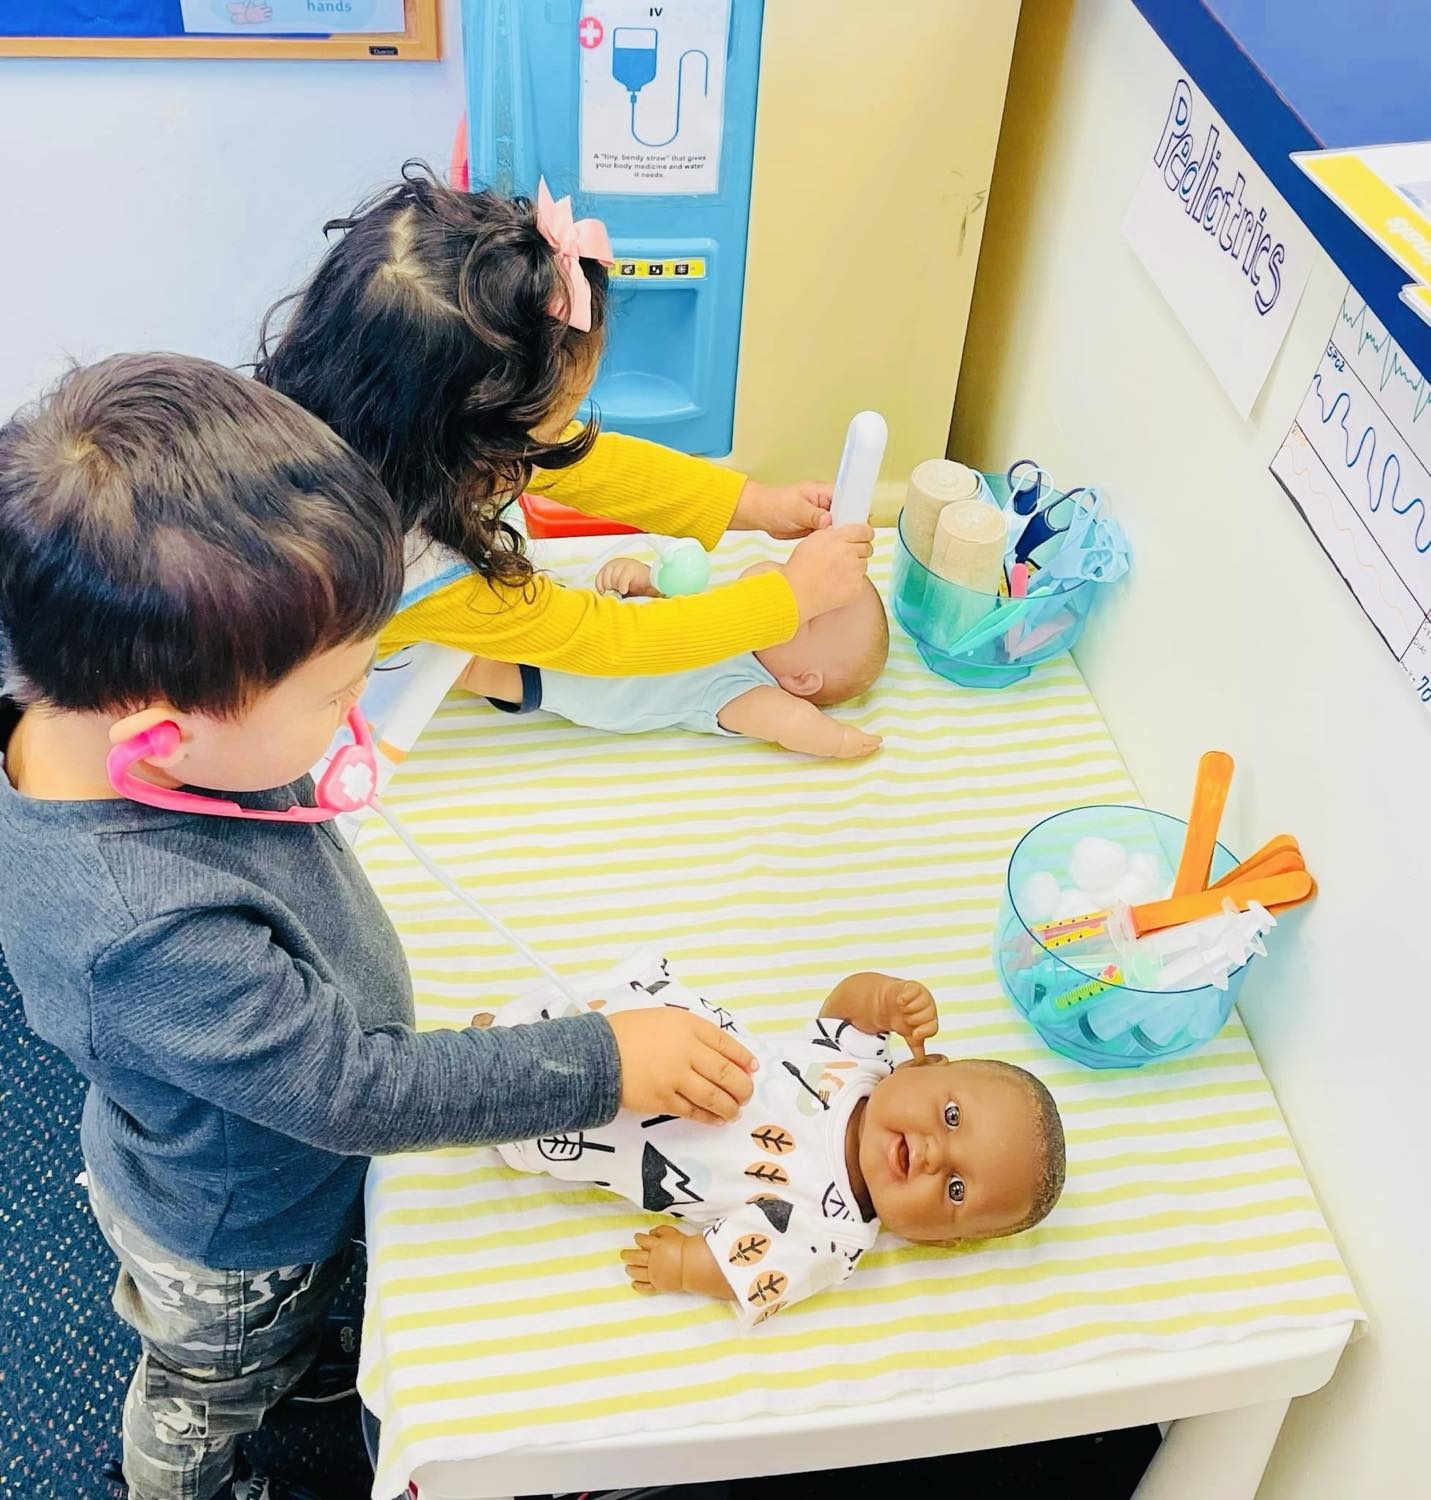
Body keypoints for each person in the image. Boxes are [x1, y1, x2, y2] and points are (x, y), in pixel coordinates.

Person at [0, 354, 757, 1500]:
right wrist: (604, 1062)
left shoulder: (119, 737)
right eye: (329, 695)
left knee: (287, 1336)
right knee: (212, 1381)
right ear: (163, 737)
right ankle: (171, 1479)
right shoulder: (140, 930)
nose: (353, 713)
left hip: (254, 1155)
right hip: (236, 1229)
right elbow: (353, 1091)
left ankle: (292, 1354)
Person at [255, 166, 874, 681]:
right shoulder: (420, 568)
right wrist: (792, 602)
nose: (562, 436)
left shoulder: (339, 412)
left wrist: (758, 504)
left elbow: (584, 462)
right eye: (549, 424)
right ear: (474, 447)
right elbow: (606, 639)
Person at [477, 955, 1066, 1328]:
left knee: (557, 1111)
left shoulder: (831, 1235)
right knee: (608, 1015)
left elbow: (749, 1263)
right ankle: (510, 1034)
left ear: (936, 1240)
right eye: (952, 1116)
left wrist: (685, 1264)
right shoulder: (863, 1063)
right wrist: (888, 997)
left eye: (957, 1189)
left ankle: (494, 1073)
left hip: (643, 1138)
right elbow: (847, 1006)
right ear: (923, 1065)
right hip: (675, 1043)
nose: (937, 1154)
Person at [460, 562, 891, 758]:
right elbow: (677, 606)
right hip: (591, 624)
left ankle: (444, 666)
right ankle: (448, 620)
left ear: (800, 679)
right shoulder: (737, 612)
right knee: (499, 609)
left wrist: (837, 741)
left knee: (479, 667)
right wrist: (644, 581)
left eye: (805, 610)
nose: (787, 584)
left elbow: (793, 724)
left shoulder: (745, 688)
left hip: (596, 682)